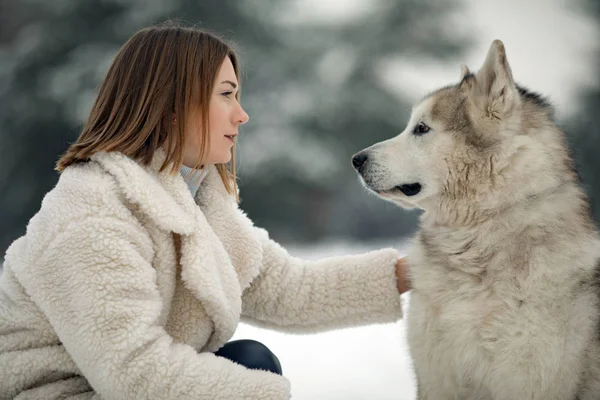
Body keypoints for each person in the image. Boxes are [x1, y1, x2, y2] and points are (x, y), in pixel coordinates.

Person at [0, 21, 410, 400]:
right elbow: (135, 373)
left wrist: (415, 271)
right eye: (227, 95)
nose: (242, 114)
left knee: (249, 358)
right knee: (250, 366)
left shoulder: (195, 200)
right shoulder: (93, 211)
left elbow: (291, 288)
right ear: (174, 103)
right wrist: (265, 395)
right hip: (57, 393)